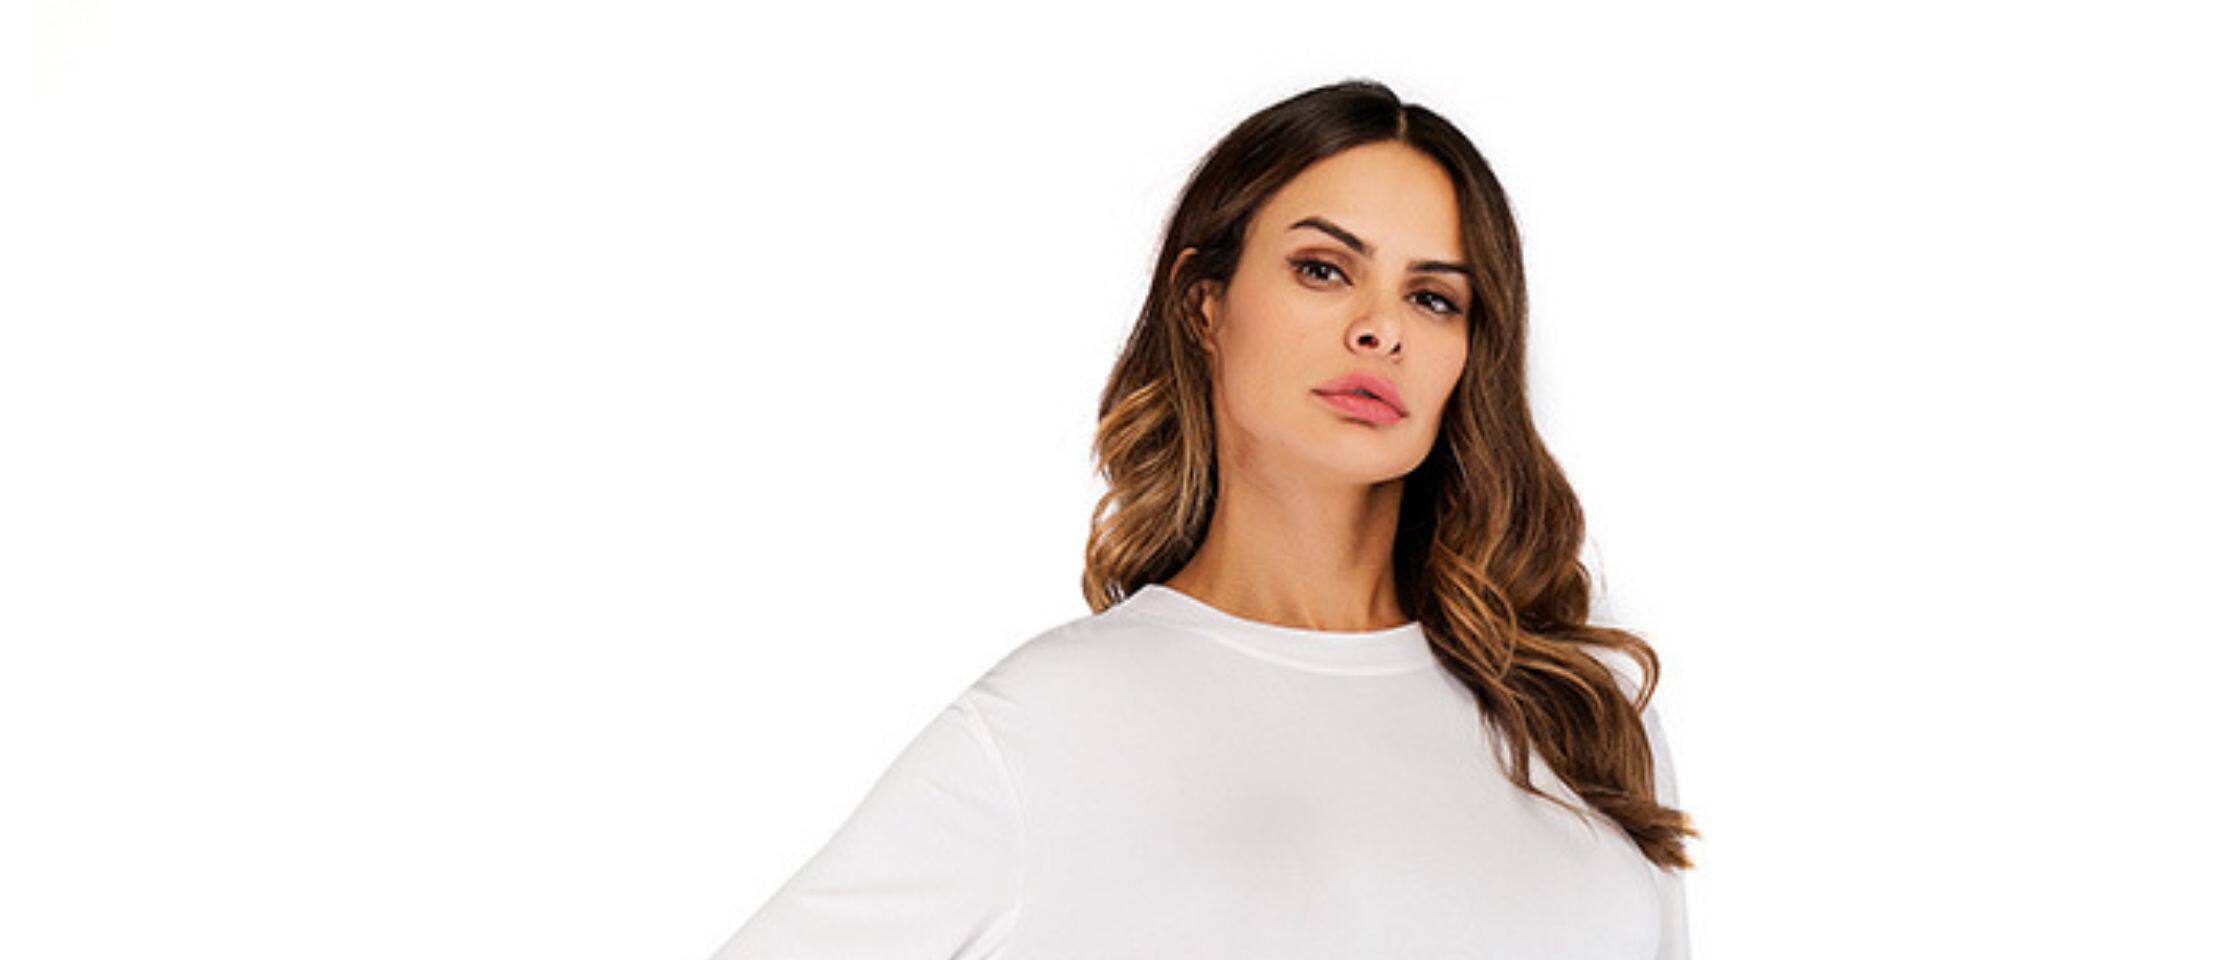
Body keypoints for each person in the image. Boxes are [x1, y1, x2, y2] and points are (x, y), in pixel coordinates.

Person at [709, 77, 1697, 959]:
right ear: (1204, 305)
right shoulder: (1054, 725)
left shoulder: (1581, 709)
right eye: (1323, 269)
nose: (1380, 327)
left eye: (1435, 298)